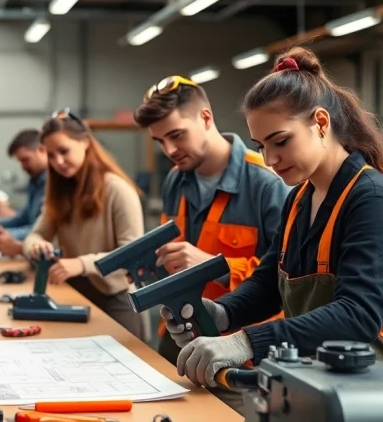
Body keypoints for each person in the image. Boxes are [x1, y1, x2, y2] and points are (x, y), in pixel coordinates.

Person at [163, 47, 383, 390]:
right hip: (315, 382)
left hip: (367, 391)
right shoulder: (299, 199)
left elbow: (357, 315)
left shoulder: (369, 198)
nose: (270, 159)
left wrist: (244, 342)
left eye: (280, 141)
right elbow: (268, 284)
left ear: (321, 123)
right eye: (261, 145)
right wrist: (221, 313)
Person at [134, 74, 290, 364]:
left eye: (177, 135)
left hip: (242, 351)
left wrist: (215, 266)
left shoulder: (268, 183)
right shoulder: (174, 180)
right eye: (159, 141)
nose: (169, 150)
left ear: (206, 118)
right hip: (180, 335)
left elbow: (286, 278)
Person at [23, 109, 148, 339]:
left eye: (63, 151)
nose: (57, 162)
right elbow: (34, 235)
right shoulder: (60, 194)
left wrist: (82, 264)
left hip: (117, 301)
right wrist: (36, 246)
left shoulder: (118, 190)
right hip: (77, 297)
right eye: (50, 155)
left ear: (86, 142)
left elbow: (133, 255)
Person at [0, 129, 48, 257]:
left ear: (42, 150)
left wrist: (9, 235)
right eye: (20, 162)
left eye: (26, 160)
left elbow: (42, 229)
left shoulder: (53, 184)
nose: (23, 167)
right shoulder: (35, 181)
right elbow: (25, 216)